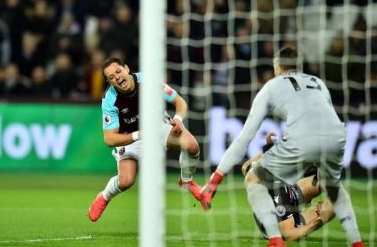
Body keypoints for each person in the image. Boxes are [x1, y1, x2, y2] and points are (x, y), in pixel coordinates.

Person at [199, 46, 364, 247]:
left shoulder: (271, 87)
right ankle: (357, 242)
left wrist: (215, 179)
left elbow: (243, 139)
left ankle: (276, 241)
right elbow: (319, 124)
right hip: (338, 135)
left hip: (302, 148)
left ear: (277, 67)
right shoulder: (317, 82)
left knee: (254, 179)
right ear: (300, 68)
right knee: (333, 188)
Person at [88, 57, 202, 222]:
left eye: (118, 71)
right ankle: (104, 197)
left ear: (126, 69)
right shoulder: (109, 100)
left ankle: (187, 181)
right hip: (131, 137)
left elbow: (180, 102)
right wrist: (139, 135)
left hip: (157, 127)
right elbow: (109, 139)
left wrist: (177, 118)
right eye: (111, 77)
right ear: (109, 82)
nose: (117, 77)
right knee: (126, 181)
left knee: (191, 146)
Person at [242, 132, 335, 242]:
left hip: (288, 192)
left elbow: (245, 167)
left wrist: (266, 149)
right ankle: (309, 215)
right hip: (282, 221)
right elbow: (289, 235)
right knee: (333, 207)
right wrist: (318, 221)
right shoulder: (275, 200)